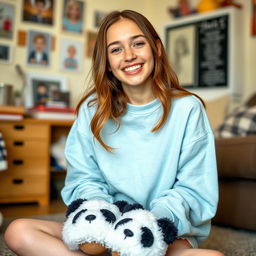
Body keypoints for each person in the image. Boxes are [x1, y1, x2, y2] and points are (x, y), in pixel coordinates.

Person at [4, 10, 224, 256]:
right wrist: (103, 218)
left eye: (138, 44)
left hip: (159, 232)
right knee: (18, 231)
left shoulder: (187, 108)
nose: (129, 56)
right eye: (116, 49)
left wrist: (144, 227)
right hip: (105, 230)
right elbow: (84, 179)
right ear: (107, 62)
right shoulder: (91, 111)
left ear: (157, 49)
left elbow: (193, 188)